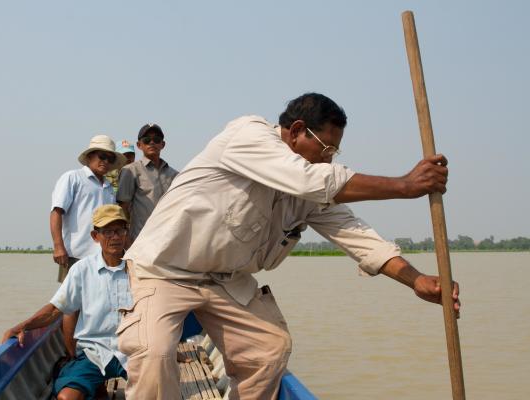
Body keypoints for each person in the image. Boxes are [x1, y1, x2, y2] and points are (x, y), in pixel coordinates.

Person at [117, 93, 461, 400]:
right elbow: (313, 179)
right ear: (296, 131)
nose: (328, 160)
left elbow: (356, 235)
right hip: (164, 271)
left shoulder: (308, 189)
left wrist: (416, 280)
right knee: (156, 354)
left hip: (225, 281)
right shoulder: (247, 135)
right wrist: (403, 185)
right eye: (326, 149)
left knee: (269, 350)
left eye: (334, 153)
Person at [3, 205, 132, 400]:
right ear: (95, 236)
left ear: (126, 234)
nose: (115, 237)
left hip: (132, 352)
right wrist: (23, 326)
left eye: (119, 230)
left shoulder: (139, 269)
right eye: (107, 231)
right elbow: (56, 309)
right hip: (94, 353)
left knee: (157, 391)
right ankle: (94, 385)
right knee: (67, 398)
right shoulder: (82, 270)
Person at [50, 134, 126, 359]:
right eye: (101, 156)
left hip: (102, 256)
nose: (105, 161)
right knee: (71, 307)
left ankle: (100, 352)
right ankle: (71, 354)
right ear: (90, 157)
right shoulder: (72, 178)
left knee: (97, 305)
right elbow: (56, 212)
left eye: (110, 159)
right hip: (75, 254)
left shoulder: (108, 189)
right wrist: (58, 246)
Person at [116, 123, 178, 242]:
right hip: (141, 239)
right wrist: (126, 239)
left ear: (162, 144)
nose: (152, 143)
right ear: (139, 145)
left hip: (168, 238)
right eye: (147, 140)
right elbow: (123, 208)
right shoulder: (130, 171)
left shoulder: (174, 174)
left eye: (156, 139)